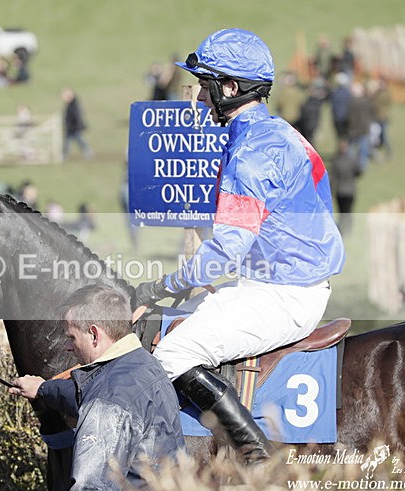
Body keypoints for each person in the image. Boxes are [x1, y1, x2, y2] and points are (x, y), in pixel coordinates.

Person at [133, 28, 345, 463]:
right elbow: (319, 199)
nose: (200, 98)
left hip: (284, 294)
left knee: (173, 352)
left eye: (205, 86)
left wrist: (162, 286)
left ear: (230, 87)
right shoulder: (283, 132)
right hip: (282, 282)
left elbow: (226, 250)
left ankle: (256, 457)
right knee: (170, 326)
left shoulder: (249, 155)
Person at [9, 284, 185, 491]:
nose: (68, 347)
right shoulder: (143, 364)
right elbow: (86, 394)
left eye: (71, 337)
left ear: (94, 334)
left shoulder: (107, 401)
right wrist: (43, 388)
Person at [329, 139, 361, 235]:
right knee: (348, 211)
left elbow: (332, 177)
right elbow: (358, 171)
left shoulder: (336, 160)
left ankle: (343, 230)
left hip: (340, 191)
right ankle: (348, 230)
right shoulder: (351, 160)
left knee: (342, 212)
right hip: (350, 190)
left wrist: (332, 191)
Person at [61, 88, 92, 160]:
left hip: (74, 128)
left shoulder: (74, 105)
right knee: (68, 142)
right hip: (70, 128)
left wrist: (77, 126)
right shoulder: (70, 105)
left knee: (79, 140)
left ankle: (88, 152)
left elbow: (77, 117)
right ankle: (64, 155)